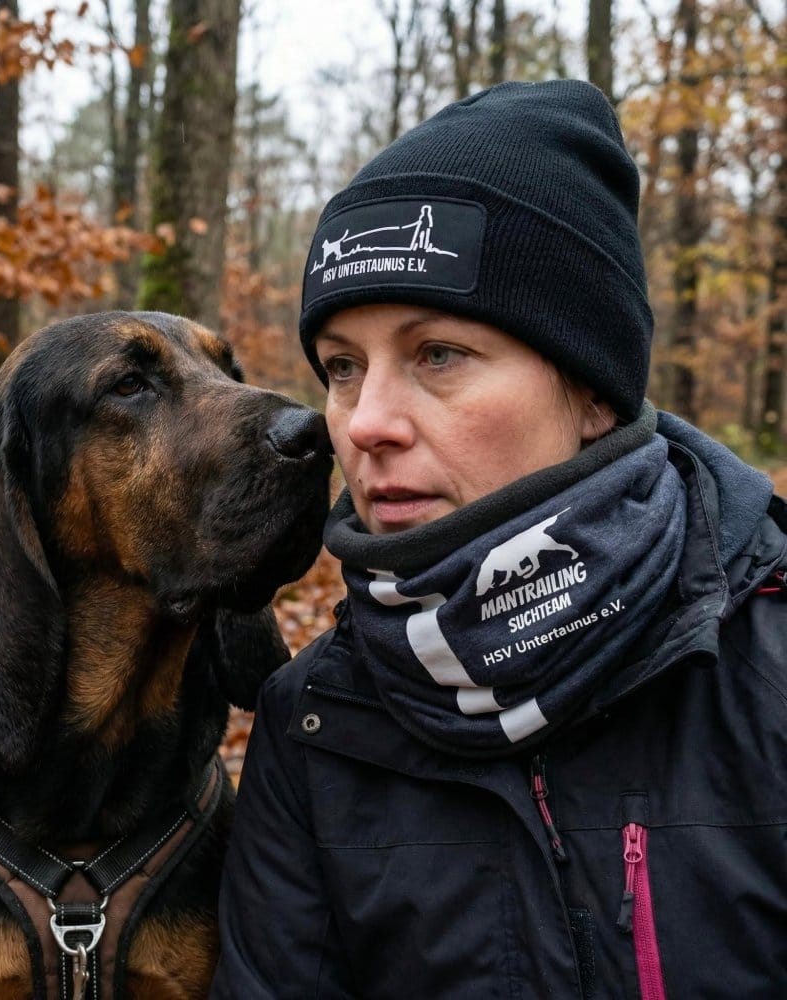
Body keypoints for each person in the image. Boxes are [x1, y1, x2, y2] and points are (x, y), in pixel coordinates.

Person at [210, 79, 787, 998]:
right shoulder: (315, 723)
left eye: (438, 354)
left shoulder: (763, 667)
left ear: (592, 391)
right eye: (344, 368)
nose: (364, 424)